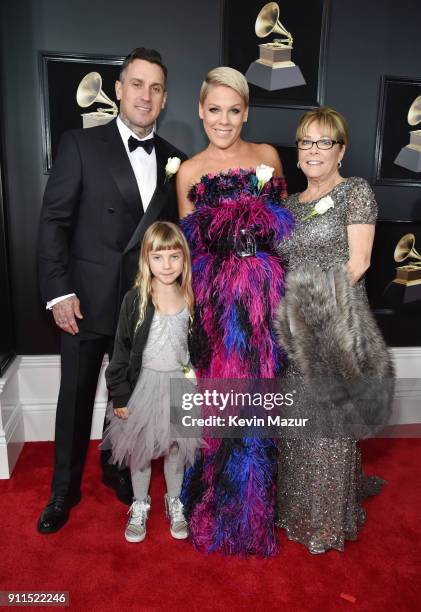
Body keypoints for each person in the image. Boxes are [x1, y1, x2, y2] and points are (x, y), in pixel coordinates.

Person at [37, 47, 186, 534]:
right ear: (119, 90)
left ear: (164, 99)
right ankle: (63, 491)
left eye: (156, 88)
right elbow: (54, 222)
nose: (146, 95)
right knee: (75, 397)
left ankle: (116, 468)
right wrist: (59, 292)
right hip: (85, 298)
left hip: (142, 305)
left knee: (129, 390)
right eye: (137, 84)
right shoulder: (80, 144)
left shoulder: (174, 160)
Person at [177, 66, 294, 556]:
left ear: (245, 111)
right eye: (214, 110)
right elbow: (185, 249)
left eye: (233, 110)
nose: (223, 121)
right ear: (201, 111)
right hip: (218, 307)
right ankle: (220, 506)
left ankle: (259, 505)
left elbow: (284, 227)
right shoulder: (188, 170)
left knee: (260, 400)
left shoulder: (267, 156)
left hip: (265, 301)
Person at [275, 106, 387, 553]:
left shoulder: (355, 192)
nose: (314, 150)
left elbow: (359, 263)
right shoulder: (285, 205)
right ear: (298, 151)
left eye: (324, 141)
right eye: (306, 141)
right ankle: (292, 507)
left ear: (340, 150)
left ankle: (323, 520)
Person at [103, 221, 198, 542]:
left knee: (176, 448)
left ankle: (174, 501)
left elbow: (197, 348)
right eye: (158, 257)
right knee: (141, 450)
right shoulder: (135, 301)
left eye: (174, 256)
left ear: (184, 259)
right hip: (143, 388)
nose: (167, 265)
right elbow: (120, 353)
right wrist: (120, 396)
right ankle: (140, 503)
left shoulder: (190, 297)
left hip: (180, 387)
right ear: (146, 260)